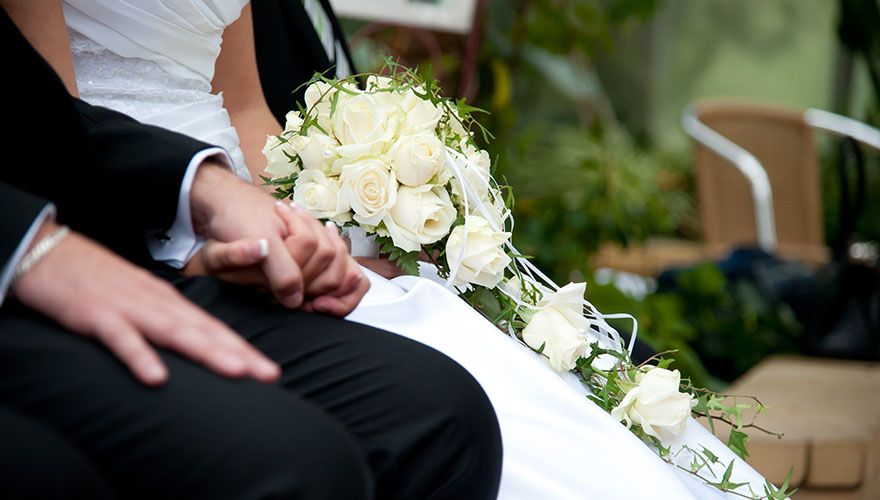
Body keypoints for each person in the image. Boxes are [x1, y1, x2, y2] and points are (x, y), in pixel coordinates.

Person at [57, 0, 775, 498]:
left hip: (263, 212)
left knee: (512, 365)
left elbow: (244, 109)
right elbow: (53, 133)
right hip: (125, 221)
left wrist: (335, 218)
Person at [0, 3, 503, 499]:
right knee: (314, 456)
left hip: (209, 181)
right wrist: (196, 236)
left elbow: (243, 106)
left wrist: (313, 228)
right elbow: (53, 127)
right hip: (106, 214)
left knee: (453, 407)